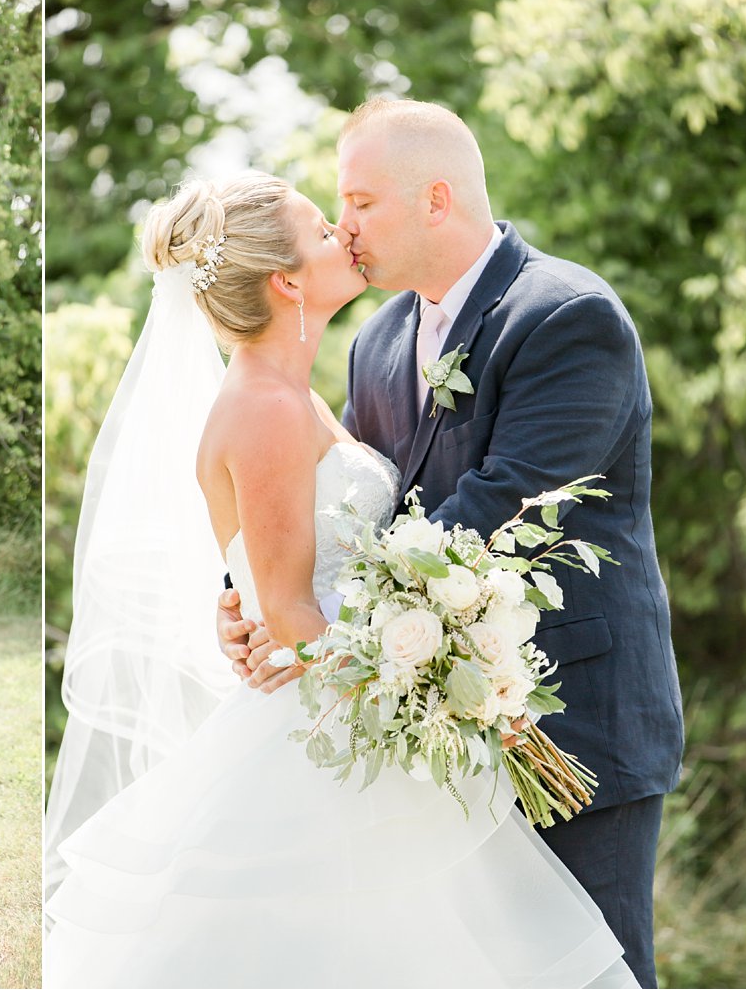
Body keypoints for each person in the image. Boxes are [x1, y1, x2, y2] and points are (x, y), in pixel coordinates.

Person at [43, 174, 636, 987]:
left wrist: (252, 598)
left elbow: (293, 560)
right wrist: (419, 679)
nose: (345, 234)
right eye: (326, 227)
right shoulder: (265, 406)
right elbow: (288, 605)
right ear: (287, 279)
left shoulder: (300, 395)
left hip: (350, 703)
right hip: (330, 732)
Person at [218, 101, 684, 989]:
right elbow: (351, 521)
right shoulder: (378, 339)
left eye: (359, 202)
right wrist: (256, 596)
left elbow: (500, 515)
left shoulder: (566, 316)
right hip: (427, 742)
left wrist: (313, 625)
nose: (342, 226)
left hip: (570, 729)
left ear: (435, 199)